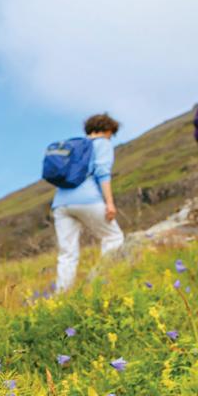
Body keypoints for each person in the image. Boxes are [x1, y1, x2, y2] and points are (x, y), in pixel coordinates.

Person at [51, 114, 124, 294]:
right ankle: (102, 283)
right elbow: (102, 172)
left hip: (61, 203)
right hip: (88, 199)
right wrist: (109, 203)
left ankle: (61, 296)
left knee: (67, 254)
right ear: (107, 130)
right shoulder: (103, 144)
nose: (110, 137)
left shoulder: (75, 146)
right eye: (111, 134)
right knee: (113, 238)